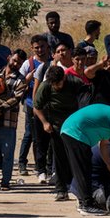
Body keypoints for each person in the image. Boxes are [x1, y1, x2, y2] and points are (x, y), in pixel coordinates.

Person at [60, 102, 110, 216]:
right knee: (83, 168)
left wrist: (109, 164)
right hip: (75, 132)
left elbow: (103, 144)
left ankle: (86, 202)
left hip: (71, 130)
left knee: (85, 167)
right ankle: (86, 205)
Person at [34, 65, 85, 201]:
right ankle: (61, 189)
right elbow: (37, 107)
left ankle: (79, 188)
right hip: (56, 128)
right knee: (60, 158)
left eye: (59, 83)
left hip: (75, 126)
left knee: (76, 157)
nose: (56, 86)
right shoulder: (46, 86)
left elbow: (86, 99)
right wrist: (45, 122)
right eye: (54, 84)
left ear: (64, 78)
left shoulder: (75, 83)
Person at [0, 50, 27, 191]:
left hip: (8, 123)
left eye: (19, 62)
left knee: (7, 154)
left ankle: (5, 182)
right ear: (9, 58)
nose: (16, 64)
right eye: (14, 60)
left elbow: (16, 100)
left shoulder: (21, 80)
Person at [18, 35, 50, 177]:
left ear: (47, 46)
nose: (40, 50)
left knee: (45, 136)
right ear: (32, 48)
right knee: (30, 134)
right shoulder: (28, 64)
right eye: (36, 47)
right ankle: (22, 162)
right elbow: (19, 83)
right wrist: (28, 79)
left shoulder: (52, 63)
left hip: (48, 106)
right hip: (31, 104)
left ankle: (41, 165)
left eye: (42, 46)